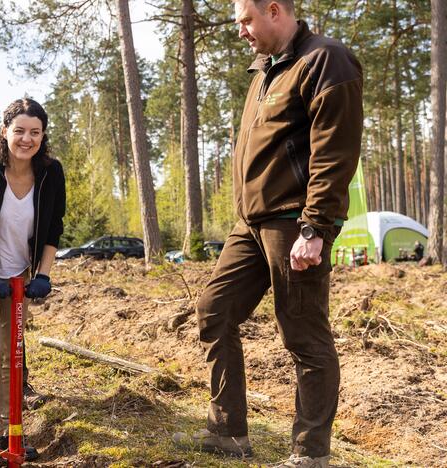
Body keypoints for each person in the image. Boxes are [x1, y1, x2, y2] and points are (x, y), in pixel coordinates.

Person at [172, 2, 363, 467]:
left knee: (303, 334)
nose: (240, 31)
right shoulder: (264, 73)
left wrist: (316, 226)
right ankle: (228, 432)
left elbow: (334, 150)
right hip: (251, 223)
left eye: (245, 20)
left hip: (294, 222)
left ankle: (310, 453)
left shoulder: (325, 59)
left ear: (274, 10)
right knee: (213, 310)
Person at [0, 98, 66, 464]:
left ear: (43, 135)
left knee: (14, 355)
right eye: (19, 131)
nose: (26, 138)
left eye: (35, 132)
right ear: (5, 132)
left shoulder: (51, 172)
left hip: (19, 275)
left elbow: (53, 228)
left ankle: (14, 432)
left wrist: (44, 274)